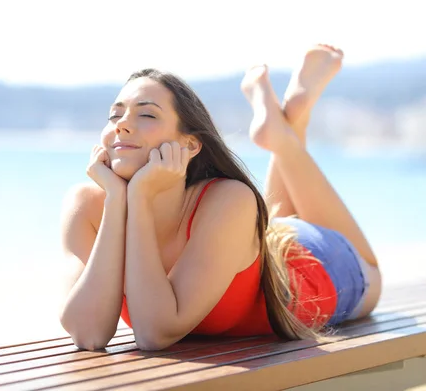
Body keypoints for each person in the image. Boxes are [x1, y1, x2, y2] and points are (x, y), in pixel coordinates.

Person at [58, 44, 382, 351]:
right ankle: (287, 125)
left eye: (147, 115)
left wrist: (139, 199)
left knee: (371, 271)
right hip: (257, 244)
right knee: (266, 227)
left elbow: (154, 332)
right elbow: (87, 333)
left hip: (313, 268)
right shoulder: (89, 205)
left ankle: (284, 135)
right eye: (115, 115)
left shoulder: (230, 198)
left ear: (189, 145)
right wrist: (118, 201)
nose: (122, 125)